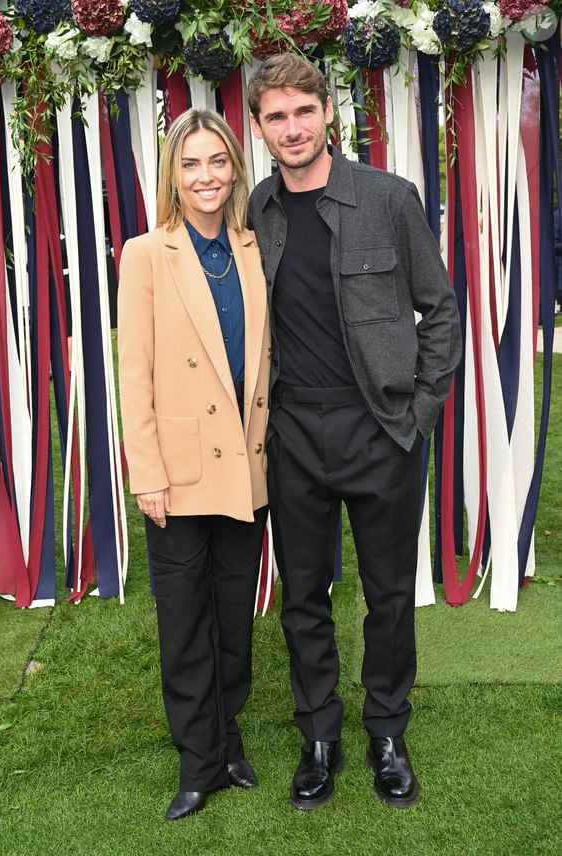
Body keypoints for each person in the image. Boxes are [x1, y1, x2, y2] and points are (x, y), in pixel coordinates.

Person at [247, 54, 462, 810]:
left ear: (327, 110)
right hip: (293, 432)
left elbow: (441, 309)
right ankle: (318, 735)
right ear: (261, 127)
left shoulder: (388, 199)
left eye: (303, 110)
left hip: (382, 428)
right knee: (302, 595)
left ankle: (387, 733)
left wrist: (422, 410)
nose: (293, 127)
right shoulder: (259, 211)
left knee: (388, 594)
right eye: (276, 116)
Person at [118, 108, 271, 821]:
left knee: (233, 616)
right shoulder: (146, 253)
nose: (206, 176)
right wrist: (145, 471)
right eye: (191, 164)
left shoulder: (253, 244)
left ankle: (228, 735)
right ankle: (196, 759)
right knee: (184, 620)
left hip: (245, 464)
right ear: (172, 176)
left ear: (235, 168)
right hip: (176, 471)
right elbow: (134, 373)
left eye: (217, 161)